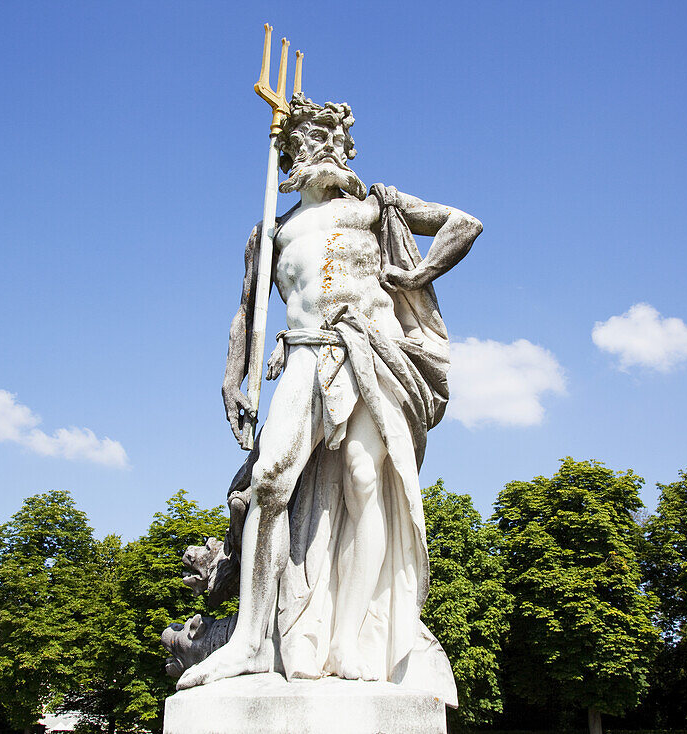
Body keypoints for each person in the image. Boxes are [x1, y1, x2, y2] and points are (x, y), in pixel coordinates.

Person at [177, 95, 482, 703]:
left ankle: (352, 638)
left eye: (329, 137)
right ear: (289, 154)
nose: (321, 147)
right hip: (305, 350)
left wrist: (418, 277)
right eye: (305, 139)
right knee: (268, 481)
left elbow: (464, 224)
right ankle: (250, 640)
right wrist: (232, 376)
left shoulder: (374, 209)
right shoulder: (271, 232)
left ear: (345, 147)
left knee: (366, 480)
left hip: (370, 348)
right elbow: (247, 311)